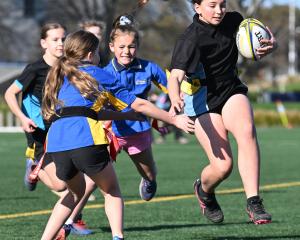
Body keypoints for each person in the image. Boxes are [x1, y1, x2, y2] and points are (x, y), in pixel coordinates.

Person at [41, 30, 194, 240]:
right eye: (97, 53)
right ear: (89, 55)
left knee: (74, 193)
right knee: (111, 190)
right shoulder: (96, 72)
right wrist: (174, 119)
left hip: (57, 145)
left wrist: (123, 116)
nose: (99, 57)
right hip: (85, 139)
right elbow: (139, 103)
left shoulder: (57, 74)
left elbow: (83, 110)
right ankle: (118, 237)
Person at [168, 0, 277, 225]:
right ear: (197, 7)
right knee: (223, 167)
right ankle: (204, 190)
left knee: (246, 132)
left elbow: (260, 39)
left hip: (230, 89)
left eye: (222, 4)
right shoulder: (190, 39)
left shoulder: (235, 20)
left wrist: (270, 45)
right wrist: (174, 97)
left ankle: (254, 202)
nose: (219, 11)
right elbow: (175, 75)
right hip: (202, 100)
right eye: (212, 5)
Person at [4, 22, 95, 237]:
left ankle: (67, 222)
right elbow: (9, 93)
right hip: (38, 134)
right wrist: (22, 118)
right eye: (55, 39)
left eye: (63, 38)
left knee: (65, 184)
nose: (60, 43)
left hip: (60, 133)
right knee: (62, 185)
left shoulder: (67, 67)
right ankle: (33, 165)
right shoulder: (34, 69)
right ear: (43, 43)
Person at [103, 15, 173, 201]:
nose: (127, 51)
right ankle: (73, 217)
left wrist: (167, 115)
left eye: (131, 46)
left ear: (137, 46)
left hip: (138, 130)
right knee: (95, 178)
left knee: (149, 174)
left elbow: (174, 90)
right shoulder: (104, 74)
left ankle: (148, 180)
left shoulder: (149, 68)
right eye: (121, 47)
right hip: (110, 132)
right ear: (112, 47)